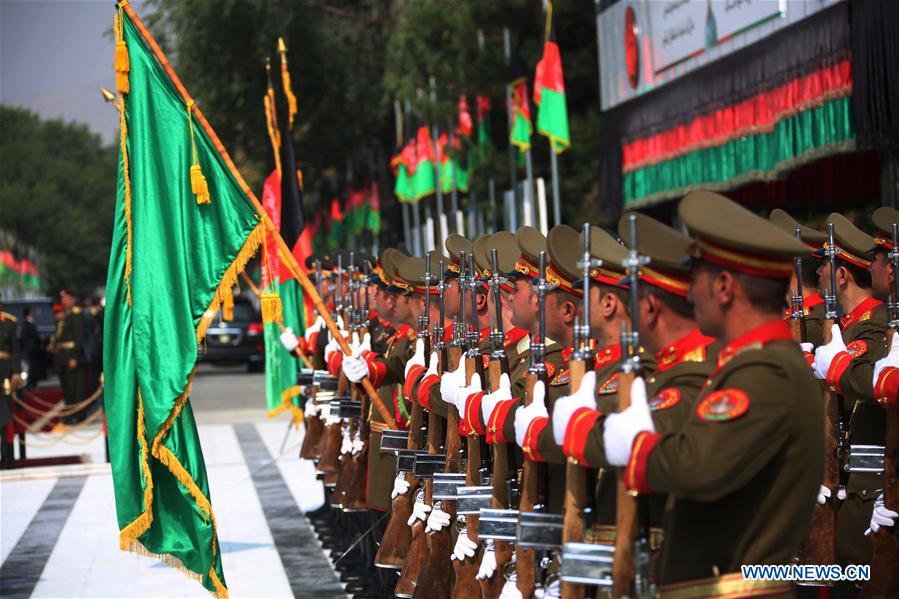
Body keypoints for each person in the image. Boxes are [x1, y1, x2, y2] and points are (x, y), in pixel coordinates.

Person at [603, 191, 822, 592]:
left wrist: (633, 446)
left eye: (696, 277)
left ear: (723, 287)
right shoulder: (752, 365)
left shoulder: (765, 371)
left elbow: (695, 466)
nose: (688, 293)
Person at [53, 289, 86, 424]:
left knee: (75, 387)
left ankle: (78, 413)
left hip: (71, 355)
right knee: (67, 387)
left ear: (72, 299)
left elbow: (78, 338)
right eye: (62, 299)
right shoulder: (65, 315)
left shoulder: (76, 314)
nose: (63, 301)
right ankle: (69, 412)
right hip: (62, 356)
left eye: (66, 298)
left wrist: (74, 357)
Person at [1, 293, 22, 465]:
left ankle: (7, 455)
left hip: (4, 372)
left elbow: (15, 350)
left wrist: (16, 372)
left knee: (5, 413)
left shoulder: (9, 323)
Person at [21, 307, 44, 388]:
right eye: (32, 312)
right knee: (32, 365)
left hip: (34, 348)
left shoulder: (31, 322)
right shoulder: (26, 323)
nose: (34, 313)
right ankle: (30, 382)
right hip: (31, 349)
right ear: (29, 313)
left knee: (34, 365)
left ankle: (34, 381)